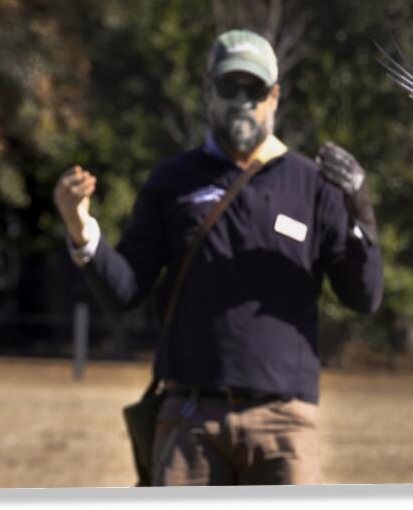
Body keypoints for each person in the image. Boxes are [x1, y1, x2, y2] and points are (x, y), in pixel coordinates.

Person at [53, 29, 383, 486]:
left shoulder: (315, 185)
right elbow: (124, 291)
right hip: (191, 420)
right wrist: (80, 228)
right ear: (209, 91)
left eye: (255, 89)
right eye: (230, 87)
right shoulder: (172, 181)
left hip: (285, 422)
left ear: (275, 96)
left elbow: (363, 297)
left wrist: (360, 210)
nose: (242, 101)